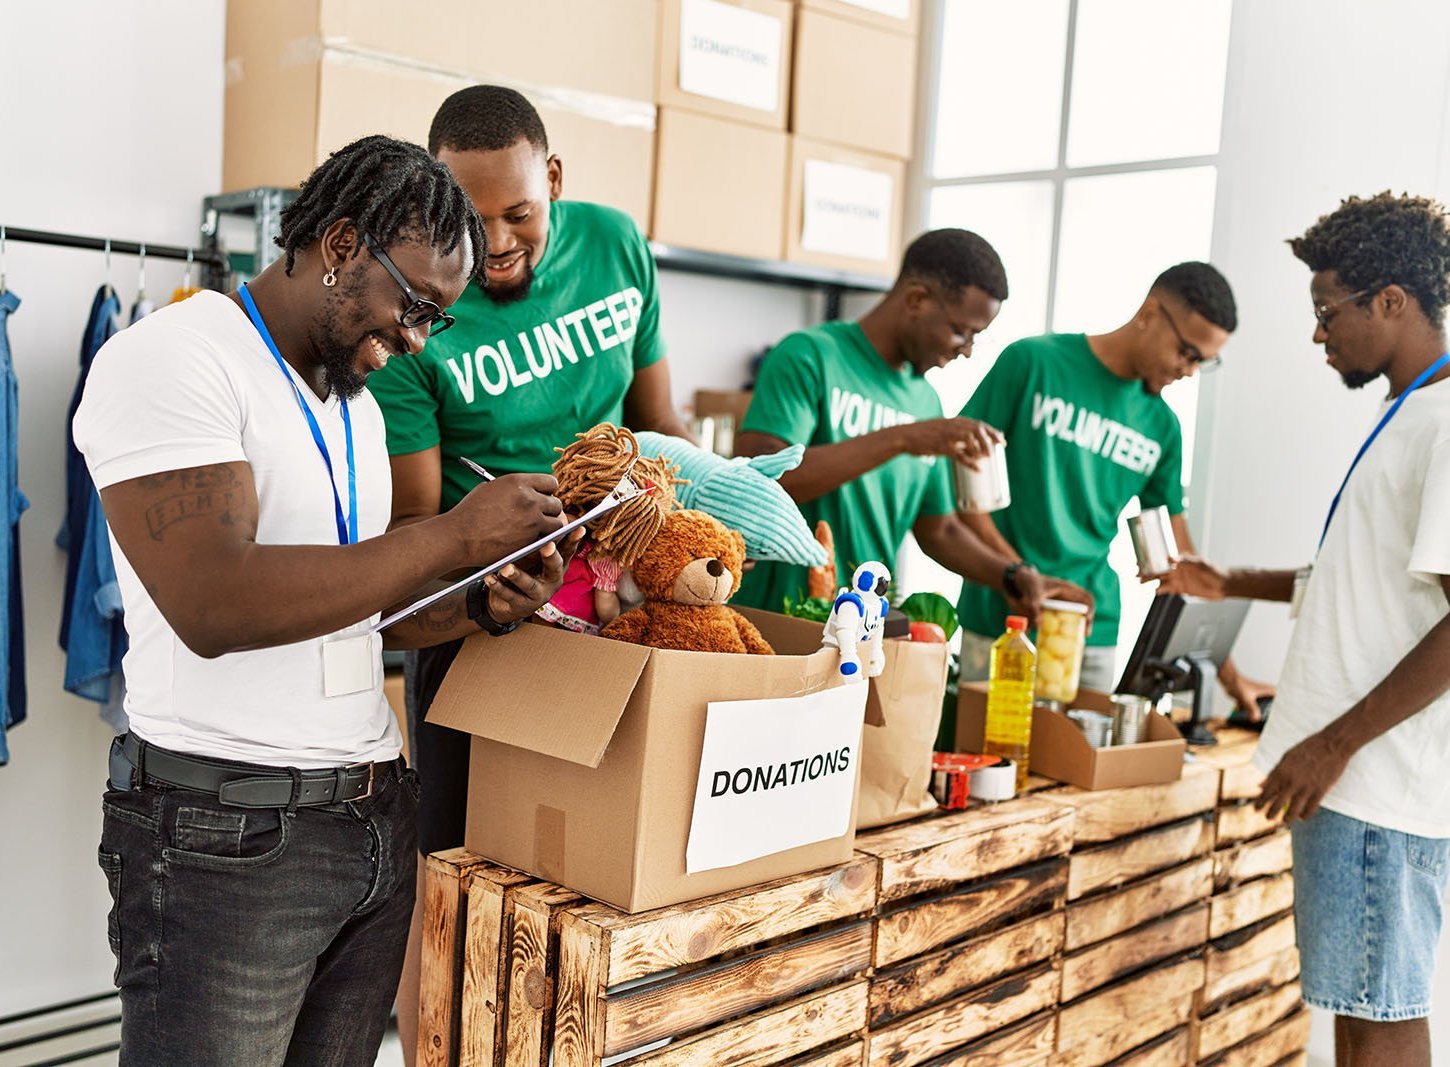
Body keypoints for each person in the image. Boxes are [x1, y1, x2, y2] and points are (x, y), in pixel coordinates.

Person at [72, 136, 574, 1067]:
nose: (418, 338)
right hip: (228, 838)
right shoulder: (174, 360)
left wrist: (485, 602)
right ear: (341, 243)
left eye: (438, 320)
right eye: (413, 305)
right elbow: (215, 602)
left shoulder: (357, 406)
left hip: (371, 824)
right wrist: (452, 537)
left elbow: (362, 613)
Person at [364, 85, 690, 1059]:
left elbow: (662, 429)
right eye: (470, 220)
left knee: (594, 889)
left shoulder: (617, 247)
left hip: (617, 621)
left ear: (553, 177)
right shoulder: (417, 316)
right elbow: (414, 529)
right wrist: (492, 578)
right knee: (455, 885)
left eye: (518, 213)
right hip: (481, 636)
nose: (496, 243)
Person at [1162, 192, 1450, 1067]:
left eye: (1329, 312)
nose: (1319, 334)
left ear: (1392, 301)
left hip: (1373, 783)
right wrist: (1230, 582)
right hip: (1360, 785)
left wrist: (1331, 745)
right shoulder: (1411, 414)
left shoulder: (1448, 423)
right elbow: (1369, 582)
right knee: (1361, 1014)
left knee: (1379, 1019)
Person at [953, 262, 1268, 708]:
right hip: (1003, 622)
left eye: (1203, 361)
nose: (1190, 371)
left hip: (1091, 631)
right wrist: (1020, 577)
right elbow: (963, 485)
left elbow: (1175, 565)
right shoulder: (1033, 363)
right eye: (1187, 352)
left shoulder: (1162, 427)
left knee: (1084, 755)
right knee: (989, 755)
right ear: (1150, 313)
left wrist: (1232, 681)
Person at [732, 228, 1088, 619]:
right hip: (773, 623)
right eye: (961, 331)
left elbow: (940, 530)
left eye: (976, 338)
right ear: (917, 299)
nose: (967, 351)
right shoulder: (809, 356)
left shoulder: (926, 402)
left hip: (860, 628)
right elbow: (761, 478)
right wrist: (901, 439)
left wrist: (1012, 575)